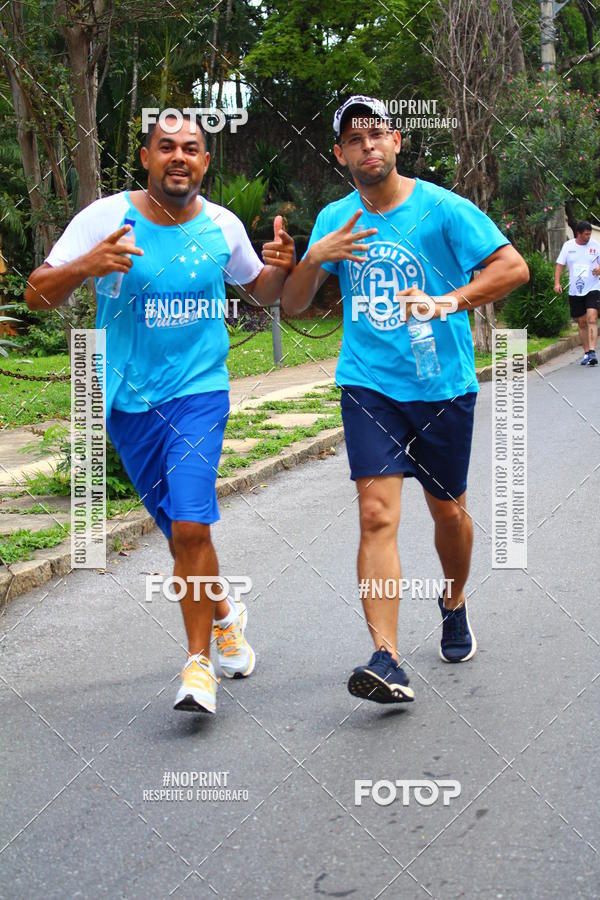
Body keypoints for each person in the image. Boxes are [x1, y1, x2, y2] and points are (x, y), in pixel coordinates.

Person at [24, 111, 295, 716]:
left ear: (204, 162)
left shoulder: (222, 226)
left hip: (200, 394)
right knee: (179, 530)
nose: (179, 157)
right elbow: (36, 294)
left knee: (193, 526)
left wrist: (280, 266)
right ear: (145, 157)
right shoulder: (103, 219)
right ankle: (224, 612)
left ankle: (198, 667)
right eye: (165, 146)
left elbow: (260, 292)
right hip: (127, 402)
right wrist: (83, 267)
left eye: (191, 149)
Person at [282, 96, 529, 705]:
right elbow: (292, 307)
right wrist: (312, 260)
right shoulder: (334, 221)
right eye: (353, 140)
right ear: (340, 155)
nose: (367, 146)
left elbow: (513, 267)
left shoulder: (444, 208)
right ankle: (386, 659)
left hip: (442, 387)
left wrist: (449, 301)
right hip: (369, 385)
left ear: (396, 141)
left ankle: (454, 598)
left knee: (448, 514)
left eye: (377, 135)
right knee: (376, 516)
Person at [554, 221, 600, 366]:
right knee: (582, 322)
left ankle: (592, 351)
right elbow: (560, 265)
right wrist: (557, 283)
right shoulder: (568, 246)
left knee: (592, 318)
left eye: (589, 234)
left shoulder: (595, 245)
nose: (588, 237)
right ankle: (587, 353)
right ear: (578, 234)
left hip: (593, 286)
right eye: (586, 234)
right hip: (575, 290)